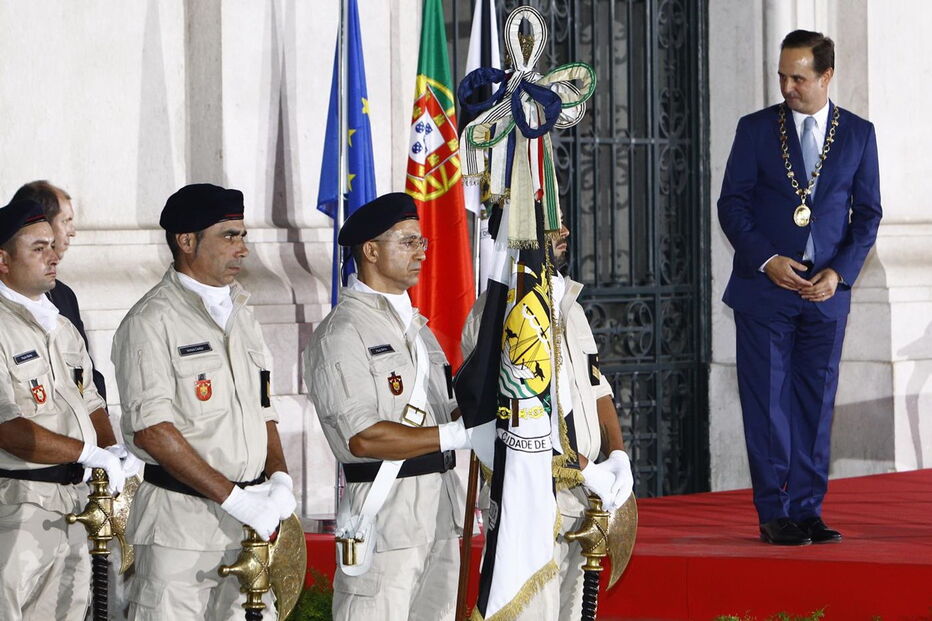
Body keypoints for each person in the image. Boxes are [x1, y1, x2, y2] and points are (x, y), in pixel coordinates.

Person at [718, 30, 882, 545]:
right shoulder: (755, 129)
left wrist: (840, 272)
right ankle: (775, 512)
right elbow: (732, 205)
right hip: (765, 288)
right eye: (783, 75)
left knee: (816, 401)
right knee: (767, 402)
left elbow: (868, 215)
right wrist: (767, 259)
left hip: (826, 292)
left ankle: (808, 508)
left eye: (800, 77)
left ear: (826, 76)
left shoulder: (858, 134)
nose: (788, 86)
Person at [110, 183, 297, 620]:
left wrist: (280, 477)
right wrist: (235, 498)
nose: (243, 249)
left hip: (249, 524)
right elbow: (153, 431)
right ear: (187, 241)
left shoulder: (242, 315)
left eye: (243, 236)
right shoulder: (150, 321)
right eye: (229, 236)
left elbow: (263, 409)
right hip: (181, 532)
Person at [302, 192, 470, 621]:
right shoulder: (343, 333)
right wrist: (455, 434)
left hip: (438, 514)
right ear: (371, 250)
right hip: (384, 516)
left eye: (422, 243)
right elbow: (362, 437)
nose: (421, 254)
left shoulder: (417, 328)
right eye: (407, 242)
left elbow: (447, 411)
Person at [461, 223, 634, 620]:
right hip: (534, 498)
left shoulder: (569, 304)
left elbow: (597, 387)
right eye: (550, 224)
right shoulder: (499, 313)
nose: (566, 231)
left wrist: (618, 456)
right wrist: (587, 471)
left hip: (584, 501)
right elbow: (518, 417)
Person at [0, 198, 126, 620]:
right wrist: (88, 453)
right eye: (38, 248)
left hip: (74, 506)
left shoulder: (61, 323)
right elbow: (8, 429)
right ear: (3, 259)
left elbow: (90, 399)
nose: (55, 257)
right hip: (16, 506)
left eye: (54, 245)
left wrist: (113, 450)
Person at [11, 181, 107, 401]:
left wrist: (100, 429)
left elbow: (86, 373)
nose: (72, 232)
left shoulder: (63, 295)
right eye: (66, 221)